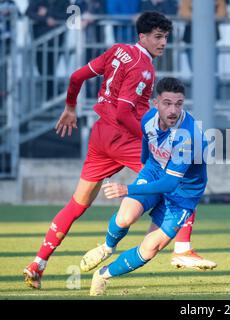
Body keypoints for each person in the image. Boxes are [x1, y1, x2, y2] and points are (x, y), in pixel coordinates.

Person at [23, 11, 214, 290]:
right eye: (158, 37)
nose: (163, 43)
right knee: (181, 176)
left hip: (100, 136)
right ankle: (182, 248)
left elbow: (77, 76)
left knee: (78, 204)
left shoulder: (117, 51)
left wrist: (71, 108)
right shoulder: (144, 68)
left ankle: (38, 263)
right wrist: (151, 139)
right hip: (126, 138)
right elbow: (125, 112)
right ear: (143, 37)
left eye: (166, 38)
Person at [85, 77, 209, 296]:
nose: (173, 110)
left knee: (150, 249)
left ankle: (103, 275)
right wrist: (144, 170)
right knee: (126, 216)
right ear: (155, 103)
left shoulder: (188, 136)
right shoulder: (148, 118)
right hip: (154, 172)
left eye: (179, 104)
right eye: (167, 103)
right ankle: (106, 247)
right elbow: (146, 143)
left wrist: (128, 189)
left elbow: (171, 183)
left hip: (183, 192)